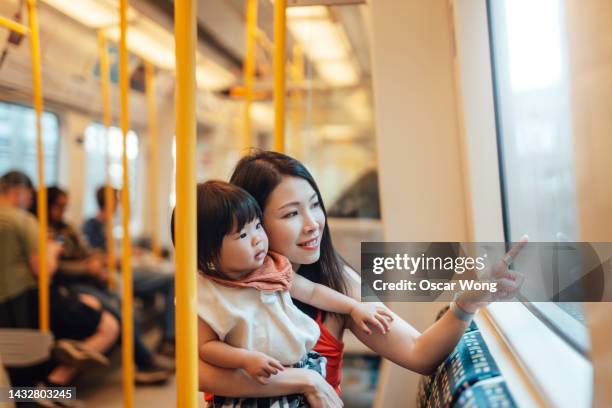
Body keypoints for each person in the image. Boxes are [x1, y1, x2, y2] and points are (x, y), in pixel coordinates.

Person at [195, 151, 527, 408]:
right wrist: (305, 380)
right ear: (252, 221)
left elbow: (419, 353)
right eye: (291, 214)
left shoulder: (336, 283)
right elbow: (200, 372)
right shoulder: (217, 290)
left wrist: (465, 305)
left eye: (314, 206)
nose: (313, 224)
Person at [176, 181, 392, 407]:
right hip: (250, 385)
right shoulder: (208, 293)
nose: (257, 238)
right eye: (242, 235)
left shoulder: (272, 267)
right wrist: (245, 359)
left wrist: (353, 307)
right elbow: (206, 347)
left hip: (299, 366)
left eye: (257, 226)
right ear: (208, 252)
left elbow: (312, 291)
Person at [0, 171, 119, 388]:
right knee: (110, 325)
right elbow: (43, 271)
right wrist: (52, 250)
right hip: (28, 299)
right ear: (19, 192)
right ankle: (56, 384)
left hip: (8, 308)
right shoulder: (23, 220)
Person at [46, 186, 173, 385]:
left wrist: (94, 261)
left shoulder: (66, 229)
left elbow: (86, 252)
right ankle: (146, 359)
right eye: (59, 206)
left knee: (120, 311)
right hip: (71, 285)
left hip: (90, 279)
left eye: (65, 206)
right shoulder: (48, 234)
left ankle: (54, 385)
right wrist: (88, 266)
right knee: (114, 317)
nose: (63, 210)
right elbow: (53, 268)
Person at [82, 185, 176, 357]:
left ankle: (166, 337)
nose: (118, 205)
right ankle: (169, 338)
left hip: (122, 269)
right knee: (171, 280)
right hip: (115, 274)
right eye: (116, 200)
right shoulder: (93, 226)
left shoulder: (107, 226)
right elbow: (98, 259)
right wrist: (122, 257)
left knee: (167, 280)